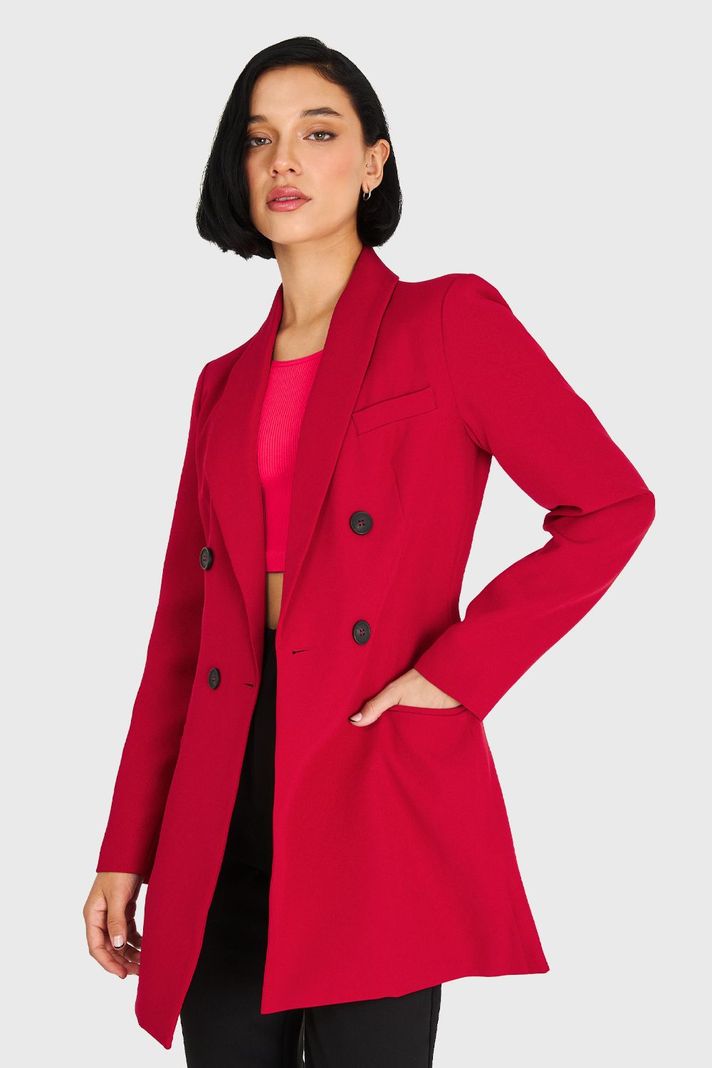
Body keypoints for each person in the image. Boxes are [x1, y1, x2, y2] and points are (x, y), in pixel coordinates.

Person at [83, 36, 655, 1066]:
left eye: (318, 133)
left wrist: (456, 672)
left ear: (374, 162)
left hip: (365, 763)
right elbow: (180, 634)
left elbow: (609, 504)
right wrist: (127, 846)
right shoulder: (222, 383)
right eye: (258, 139)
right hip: (222, 790)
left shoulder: (446, 320)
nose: (284, 161)